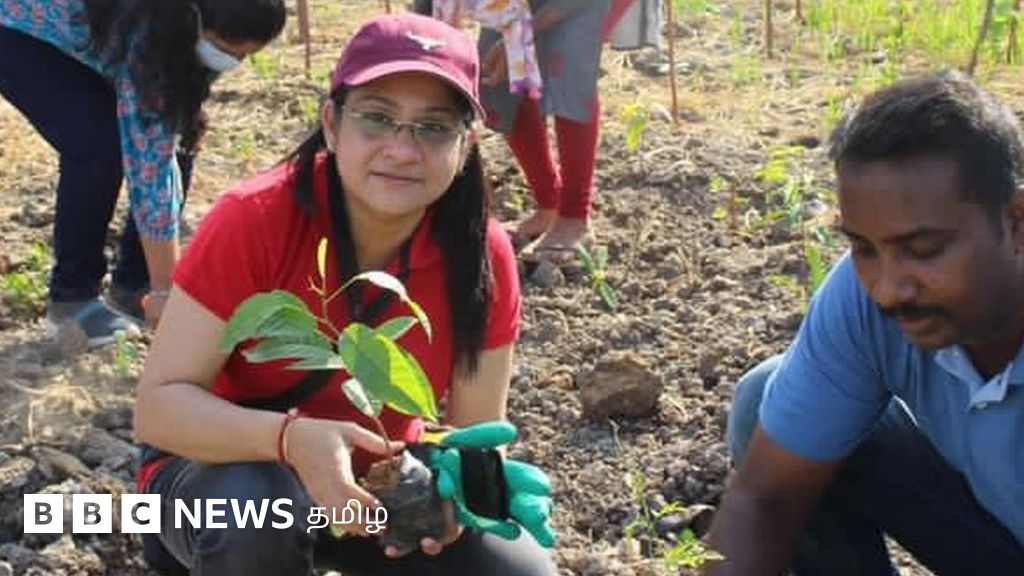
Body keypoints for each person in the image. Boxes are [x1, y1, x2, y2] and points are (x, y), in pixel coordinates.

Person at [134, 13, 557, 576]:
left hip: (377, 497)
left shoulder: (481, 254)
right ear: (332, 124)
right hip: (226, 477)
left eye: (433, 127)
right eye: (377, 119)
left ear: (467, 145)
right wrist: (290, 440)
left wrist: (467, 488)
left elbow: (475, 431)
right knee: (255, 512)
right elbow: (159, 410)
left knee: (515, 570)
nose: (403, 150)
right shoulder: (256, 220)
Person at [705, 71, 1024, 575]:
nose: (888, 288)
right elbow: (766, 500)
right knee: (769, 402)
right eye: (864, 248)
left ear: (1016, 221)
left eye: (923, 250)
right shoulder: (863, 297)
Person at [0, 0, 286, 346]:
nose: (231, 62)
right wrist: (169, 291)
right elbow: (148, 166)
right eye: (225, 49)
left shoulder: (195, 24)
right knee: (98, 143)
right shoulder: (150, 30)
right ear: (194, 17)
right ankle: (73, 301)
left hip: (98, 33)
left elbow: (167, 129)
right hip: (18, 30)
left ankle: (135, 287)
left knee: (180, 137)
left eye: (245, 56)